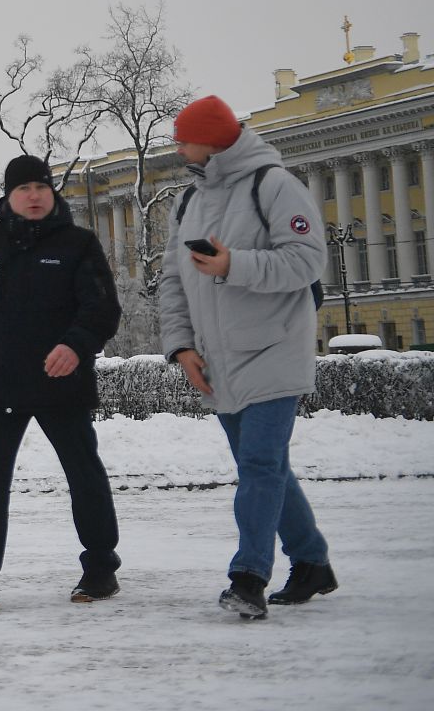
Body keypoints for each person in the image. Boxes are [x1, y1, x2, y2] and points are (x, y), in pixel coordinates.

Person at [159, 94, 336, 620]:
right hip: (220, 359)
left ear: (211, 140)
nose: (179, 148)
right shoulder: (189, 200)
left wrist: (234, 265)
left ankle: (249, 577)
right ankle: (312, 562)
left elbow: (307, 261)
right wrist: (182, 347)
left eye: (184, 138)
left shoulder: (275, 186)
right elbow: (173, 279)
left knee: (259, 465)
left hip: (276, 349)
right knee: (266, 465)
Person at [0, 154, 123, 610]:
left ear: (51, 192)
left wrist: (75, 346)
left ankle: (100, 570)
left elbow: (102, 308)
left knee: (83, 474)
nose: (34, 196)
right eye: (24, 189)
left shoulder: (78, 243)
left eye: (41, 187)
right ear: (9, 196)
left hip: (61, 381)